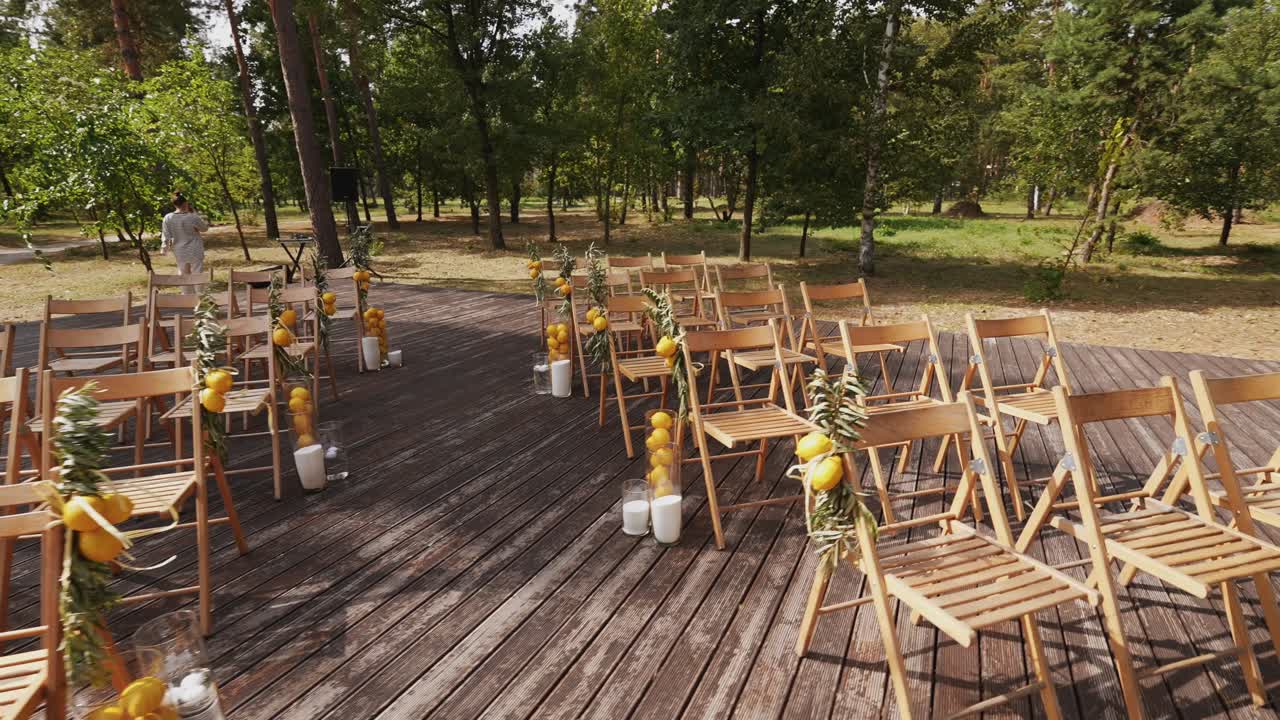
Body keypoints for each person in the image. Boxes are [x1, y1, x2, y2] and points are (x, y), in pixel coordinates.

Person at [160, 191, 210, 293]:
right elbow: (204, 228)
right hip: (195, 248)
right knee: (197, 272)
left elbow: (166, 234)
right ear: (186, 203)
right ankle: (200, 298)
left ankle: (186, 297)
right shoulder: (192, 216)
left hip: (179, 249)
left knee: (183, 273)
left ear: (174, 204)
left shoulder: (168, 217)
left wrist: (164, 248)